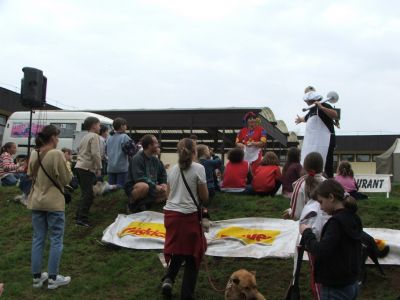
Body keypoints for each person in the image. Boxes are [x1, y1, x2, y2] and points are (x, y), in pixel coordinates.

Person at [161, 138, 209, 299]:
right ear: (194, 151)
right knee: (193, 255)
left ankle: (168, 279)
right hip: (187, 217)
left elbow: (168, 194)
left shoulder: (172, 170)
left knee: (179, 250)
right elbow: (204, 196)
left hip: (171, 216)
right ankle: (186, 294)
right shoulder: (199, 168)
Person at [300, 179, 362, 300]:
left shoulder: (335, 223)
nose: (321, 208)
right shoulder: (354, 218)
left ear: (331, 197)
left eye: (321, 202)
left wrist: (307, 233)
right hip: (351, 284)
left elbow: (321, 250)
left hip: (335, 288)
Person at [27, 125, 72, 289]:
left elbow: (30, 174)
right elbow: (66, 179)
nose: (58, 139)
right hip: (54, 202)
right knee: (56, 240)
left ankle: (37, 278)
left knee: (38, 239)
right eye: (57, 136)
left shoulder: (34, 153)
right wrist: (67, 164)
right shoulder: (56, 154)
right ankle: (53, 278)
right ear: (53, 137)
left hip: (36, 201)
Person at [295, 86, 338, 178]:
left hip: (326, 142)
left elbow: (335, 115)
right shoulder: (311, 110)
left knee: (327, 165)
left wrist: (322, 107)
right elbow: (306, 118)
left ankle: (329, 184)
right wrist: (300, 120)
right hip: (313, 143)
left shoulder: (324, 104)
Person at [125, 134, 167, 212]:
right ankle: (131, 203)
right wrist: (155, 186)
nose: (158, 145)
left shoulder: (155, 159)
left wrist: (163, 183)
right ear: (149, 145)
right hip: (136, 186)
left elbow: (163, 173)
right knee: (143, 186)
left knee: (168, 191)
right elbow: (139, 178)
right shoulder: (137, 158)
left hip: (151, 187)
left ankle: (143, 203)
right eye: (156, 143)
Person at [75, 117, 102, 227]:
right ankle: (82, 219)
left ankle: (78, 215)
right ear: (93, 125)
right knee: (89, 194)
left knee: (85, 192)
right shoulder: (95, 136)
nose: (100, 127)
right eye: (99, 125)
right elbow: (95, 153)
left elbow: (78, 149)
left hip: (79, 166)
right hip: (86, 167)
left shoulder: (84, 137)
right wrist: (99, 167)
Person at [106, 118, 131, 188]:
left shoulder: (109, 138)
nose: (126, 127)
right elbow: (132, 151)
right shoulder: (124, 137)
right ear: (121, 126)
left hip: (110, 167)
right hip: (122, 167)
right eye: (125, 125)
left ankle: (108, 193)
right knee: (121, 188)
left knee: (111, 189)